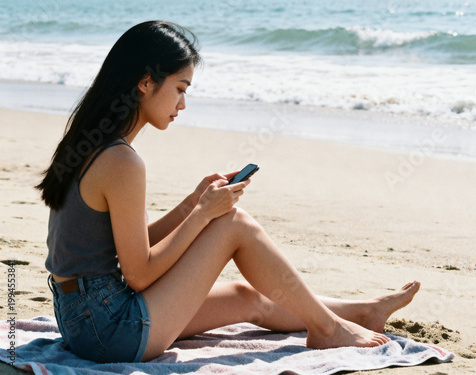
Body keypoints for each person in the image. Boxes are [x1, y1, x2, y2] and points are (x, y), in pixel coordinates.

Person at [36, 20, 420, 363]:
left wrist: (192, 203)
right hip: (110, 329)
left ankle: (361, 311)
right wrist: (204, 214)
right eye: (180, 88)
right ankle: (327, 330)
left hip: (83, 318)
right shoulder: (122, 162)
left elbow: (128, 247)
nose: (182, 104)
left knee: (244, 296)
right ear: (145, 82)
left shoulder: (91, 143)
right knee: (234, 223)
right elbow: (139, 274)